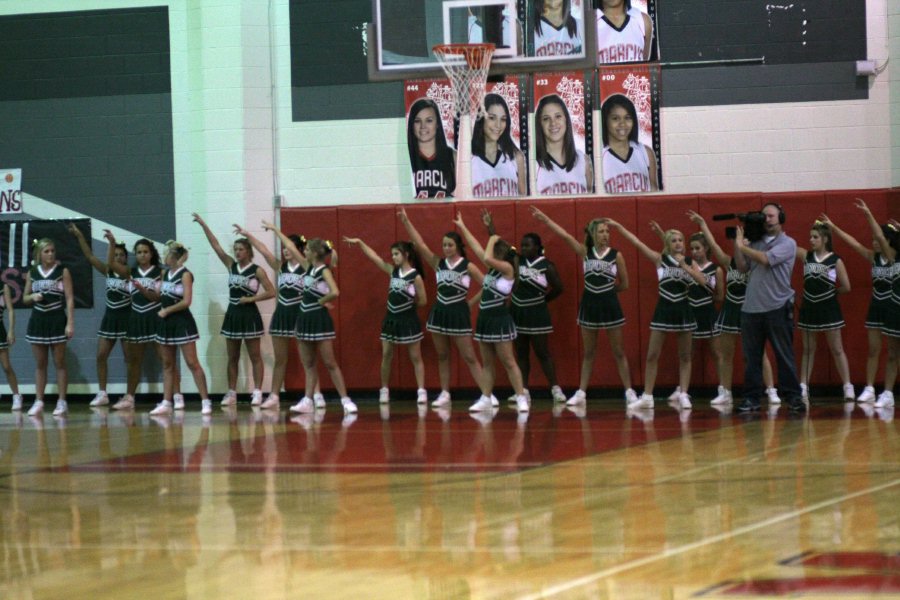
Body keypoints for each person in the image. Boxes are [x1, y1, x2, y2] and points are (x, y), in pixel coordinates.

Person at [531, 207, 637, 405]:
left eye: (607, 231)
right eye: (601, 231)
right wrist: (546, 220)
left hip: (610, 305)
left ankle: (629, 391)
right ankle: (581, 393)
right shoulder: (585, 252)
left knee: (619, 351)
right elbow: (564, 236)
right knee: (589, 352)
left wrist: (607, 292)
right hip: (589, 305)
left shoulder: (616, 255)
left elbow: (625, 284)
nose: (605, 235)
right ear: (593, 234)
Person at [603, 220, 707, 410]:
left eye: (680, 240)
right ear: (669, 244)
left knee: (685, 356)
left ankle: (683, 394)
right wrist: (619, 227)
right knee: (652, 355)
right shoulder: (660, 259)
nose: (678, 243)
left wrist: (686, 267)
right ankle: (648, 396)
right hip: (663, 310)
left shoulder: (690, 262)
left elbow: (703, 282)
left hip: (684, 310)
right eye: (674, 240)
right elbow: (637, 243)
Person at [687, 210, 781, 406]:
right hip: (730, 311)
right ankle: (726, 392)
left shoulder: (756, 263)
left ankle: (771, 391)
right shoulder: (728, 262)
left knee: (758, 354)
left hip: (751, 310)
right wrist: (703, 224)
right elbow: (712, 245)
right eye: (738, 242)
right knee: (726, 354)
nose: (740, 244)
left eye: (744, 241)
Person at [398, 208, 484, 408]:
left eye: (450, 245)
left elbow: (486, 285)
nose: (446, 248)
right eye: (444, 245)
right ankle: (445, 393)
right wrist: (406, 221)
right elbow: (419, 244)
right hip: (439, 313)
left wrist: (470, 303)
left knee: (469, 356)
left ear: (458, 246)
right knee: (443, 355)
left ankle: (486, 395)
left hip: (458, 314)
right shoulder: (438, 263)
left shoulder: (467, 266)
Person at [238, 224, 327, 410]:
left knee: (308, 360)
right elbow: (263, 250)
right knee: (280, 359)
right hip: (282, 314)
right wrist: (248, 235)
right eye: (284, 248)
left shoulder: (307, 267)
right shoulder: (280, 266)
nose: (286, 251)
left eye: (289, 247)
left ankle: (316, 394)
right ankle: (274, 396)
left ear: (299, 249)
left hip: (301, 314)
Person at [819, 204, 900, 405]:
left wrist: (868, 213)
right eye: (873, 240)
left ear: (888, 240)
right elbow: (853, 243)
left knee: (892, 352)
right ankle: (870, 388)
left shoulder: (894, 258)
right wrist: (833, 227)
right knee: (873, 350)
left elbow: (880, 236)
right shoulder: (874, 258)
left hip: (893, 308)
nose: (874, 242)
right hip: (876, 307)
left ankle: (888, 393)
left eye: (878, 239)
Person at [194, 213, 275, 407]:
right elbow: (216, 246)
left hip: (249, 314)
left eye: (241, 249)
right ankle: (231, 393)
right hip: (233, 313)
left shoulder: (257, 270)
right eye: (235, 249)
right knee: (233, 356)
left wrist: (252, 298)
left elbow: (272, 291)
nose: (237, 252)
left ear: (248, 251)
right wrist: (204, 224)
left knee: (255, 356)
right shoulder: (231, 265)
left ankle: (257, 392)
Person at [483, 209, 565, 402]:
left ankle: (555, 389)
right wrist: (489, 226)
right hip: (517, 311)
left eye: (528, 245)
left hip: (537, 313)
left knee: (542, 352)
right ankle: (524, 390)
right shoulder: (516, 259)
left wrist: (544, 300)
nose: (524, 248)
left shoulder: (547, 265)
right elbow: (500, 245)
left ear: (537, 247)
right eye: (522, 245)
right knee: (521, 353)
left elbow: (559, 288)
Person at [453, 212, 530, 413]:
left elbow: (485, 255)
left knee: (508, 361)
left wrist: (493, 237)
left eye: (494, 249)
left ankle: (521, 396)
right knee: (487, 363)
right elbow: (480, 250)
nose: (489, 253)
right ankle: (486, 397)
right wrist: (462, 226)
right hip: (485, 319)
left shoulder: (507, 269)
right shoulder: (492, 271)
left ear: (500, 254)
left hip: (499, 319)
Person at [734, 203, 804, 413]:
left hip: (777, 306)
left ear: (780, 218)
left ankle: (793, 397)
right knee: (752, 358)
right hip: (751, 308)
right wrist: (737, 246)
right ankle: (752, 399)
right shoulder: (754, 242)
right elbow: (742, 267)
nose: (767, 219)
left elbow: (766, 259)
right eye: (764, 216)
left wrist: (743, 246)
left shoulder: (788, 243)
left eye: (771, 216)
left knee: (784, 355)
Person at [342, 236, 428, 405]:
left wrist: (408, 307)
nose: (393, 257)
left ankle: (421, 391)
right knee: (387, 354)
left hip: (408, 319)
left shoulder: (415, 276)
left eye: (396, 254)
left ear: (406, 254)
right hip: (391, 319)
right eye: (392, 254)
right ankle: (384, 390)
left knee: (415, 356)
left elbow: (423, 300)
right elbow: (375, 258)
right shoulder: (392, 271)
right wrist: (360, 242)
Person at [289, 237, 357, 414]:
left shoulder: (323, 270)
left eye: (307, 250)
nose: (304, 252)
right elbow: (292, 248)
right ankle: (307, 400)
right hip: (304, 318)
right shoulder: (309, 268)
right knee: (309, 364)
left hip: (319, 319)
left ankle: (345, 400)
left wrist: (321, 300)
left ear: (314, 253)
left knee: (330, 362)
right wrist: (274, 230)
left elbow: (335, 291)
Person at [147, 242, 214, 416]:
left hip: (182, 322)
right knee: (168, 363)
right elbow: (159, 297)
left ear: (174, 256)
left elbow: (186, 301)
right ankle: (166, 402)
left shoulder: (185, 275)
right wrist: (143, 289)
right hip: (166, 323)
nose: (164, 257)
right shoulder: (164, 273)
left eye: (166, 254)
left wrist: (167, 310)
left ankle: (205, 401)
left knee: (192, 362)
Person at [69, 225, 131, 408]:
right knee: (101, 355)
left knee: (130, 359)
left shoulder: (129, 273)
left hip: (126, 318)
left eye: (121, 255)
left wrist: (112, 243)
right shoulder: (108, 271)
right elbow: (89, 256)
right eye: (116, 254)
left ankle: (129, 396)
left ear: (126, 258)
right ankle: (103, 393)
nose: (118, 257)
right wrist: (80, 235)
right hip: (110, 318)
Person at [796, 221, 853, 401]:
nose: (811, 240)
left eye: (815, 237)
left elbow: (846, 287)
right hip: (809, 307)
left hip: (829, 308)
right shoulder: (806, 256)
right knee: (808, 349)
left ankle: (847, 386)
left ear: (825, 239)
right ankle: (803, 386)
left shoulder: (835, 260)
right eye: (810, 237)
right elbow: (789, 246)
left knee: (836, 348)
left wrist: (831, 293)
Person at [22, 238, 74, 416]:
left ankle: (62, 401)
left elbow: (69, 298)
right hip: (38, 320)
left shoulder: (62, 271)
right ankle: (38, 401)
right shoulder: (33, 272)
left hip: (57, 319)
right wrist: (32, 297)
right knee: (40, 364)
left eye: (53, 250)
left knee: (59, 362)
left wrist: (70, 323)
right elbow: (25, 297)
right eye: (47, 251)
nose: (51, 254)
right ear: (40, 254)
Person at [535, 94, 592, 196]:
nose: (553, 123)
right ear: (539, 124)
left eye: (558, 116)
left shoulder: (583, 161)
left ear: (566, 119)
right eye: (546, 119)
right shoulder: (533, 164)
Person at [471, 94, 526, 198]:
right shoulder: (468, 158)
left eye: (503, 119)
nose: (498, 125)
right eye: (492, 118)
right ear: (481, 118)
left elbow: (522, 201)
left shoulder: (516, 157)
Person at [600, 95, 657, 194]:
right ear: (605, 121)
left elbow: (654, 193)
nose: (622, 124)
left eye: (627, 118)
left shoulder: (645, 152)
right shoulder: (599, 156)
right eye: (615, 118)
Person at [407, 98, 455, 199]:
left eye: (429, 120)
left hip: (445, 213)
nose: (423, 126)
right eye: (417, 121)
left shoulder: (453, 156)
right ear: (411, 124)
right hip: (416, 213)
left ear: (437, 124)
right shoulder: (406, 158)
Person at [1, 282, 24, 411]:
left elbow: (10, 310)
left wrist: (10, 330)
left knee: (6, 366)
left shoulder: (3, 287)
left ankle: (16, 395)